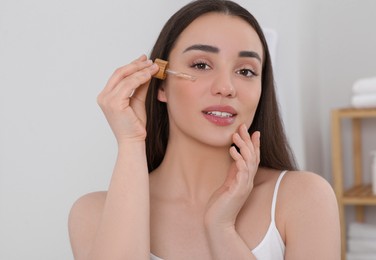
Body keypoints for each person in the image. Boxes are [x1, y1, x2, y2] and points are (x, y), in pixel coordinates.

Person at [68, 0, 341, 259]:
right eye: (201, 65)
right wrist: (130, 141)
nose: (226, 87)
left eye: (246, 71)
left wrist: (220, 229)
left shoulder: (304, 198)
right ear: (161, 84)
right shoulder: (93, 213)